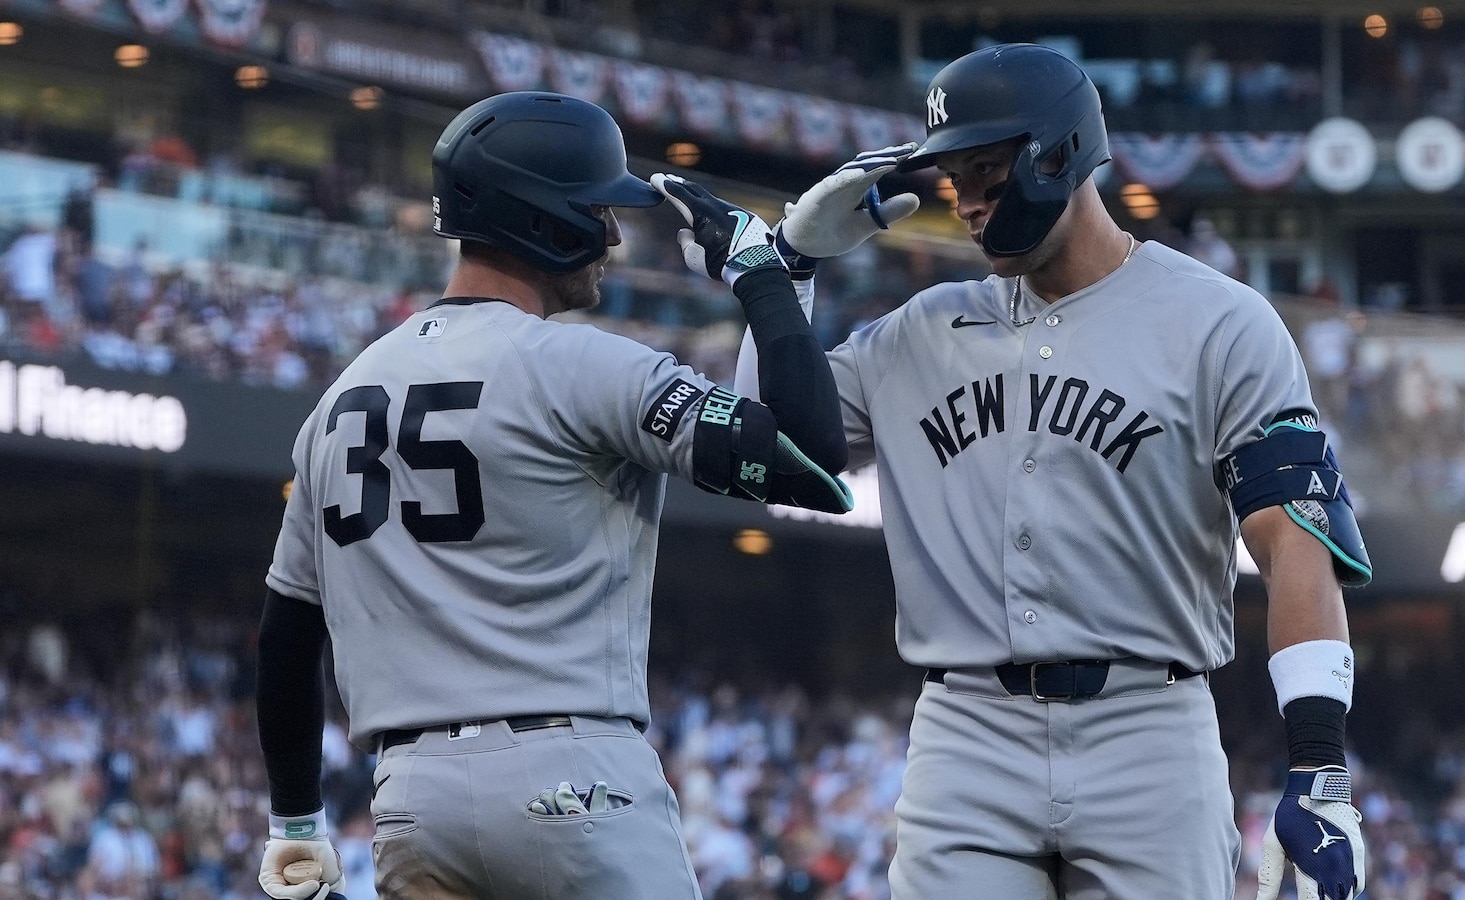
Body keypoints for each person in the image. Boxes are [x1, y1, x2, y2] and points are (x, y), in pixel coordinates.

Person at [737, 44, 1372, 899]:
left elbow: (1293, 541)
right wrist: (788, 273)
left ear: (1060, 155)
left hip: (1150, 726)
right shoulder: (918, 330)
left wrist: (1318, 765)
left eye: (986, 173)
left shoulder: (1220, 322)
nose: (965, 204)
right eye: (955, 180)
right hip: (966, 732)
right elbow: (768, 454)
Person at [255, 91, 851, 900]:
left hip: (410, 802)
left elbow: (287, 637)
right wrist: (766, 278)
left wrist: (294, 822)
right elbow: (812, 463)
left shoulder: (337, 402)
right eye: (598, 212)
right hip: (572, 778)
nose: (611, 235)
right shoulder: (583, 365)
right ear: (544, 221)